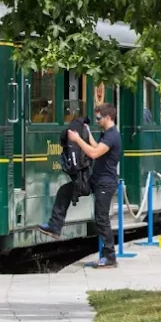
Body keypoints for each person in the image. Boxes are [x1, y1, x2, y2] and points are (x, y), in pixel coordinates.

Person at [38, 103, 122, 268]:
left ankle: (110, 257)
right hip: (96, 180)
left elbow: (94, 153)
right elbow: (97, 147)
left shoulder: (113, 135)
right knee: (65, 191)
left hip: (106, 183)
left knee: (101, 219)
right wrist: (88, 134)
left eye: (99, 118)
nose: (97, 120)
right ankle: (55, 226)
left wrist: (77, 140)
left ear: (108, 117)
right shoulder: (107, 134)